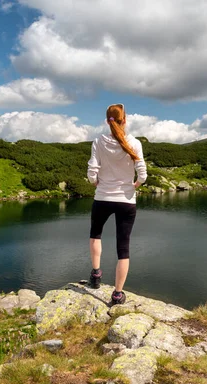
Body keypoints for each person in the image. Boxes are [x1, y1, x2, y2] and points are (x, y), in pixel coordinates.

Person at [87, 103, 147, 304]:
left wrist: (97, 183)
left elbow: (91, 174)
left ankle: (96, 275)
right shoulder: (135, 143)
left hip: (102, 198)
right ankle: (117, 294)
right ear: (125, 120)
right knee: (123, 248)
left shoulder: (98, 142)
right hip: (126, 201)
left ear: (107, 121)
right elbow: (143, 174)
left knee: (96, 234)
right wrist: (134, 185)